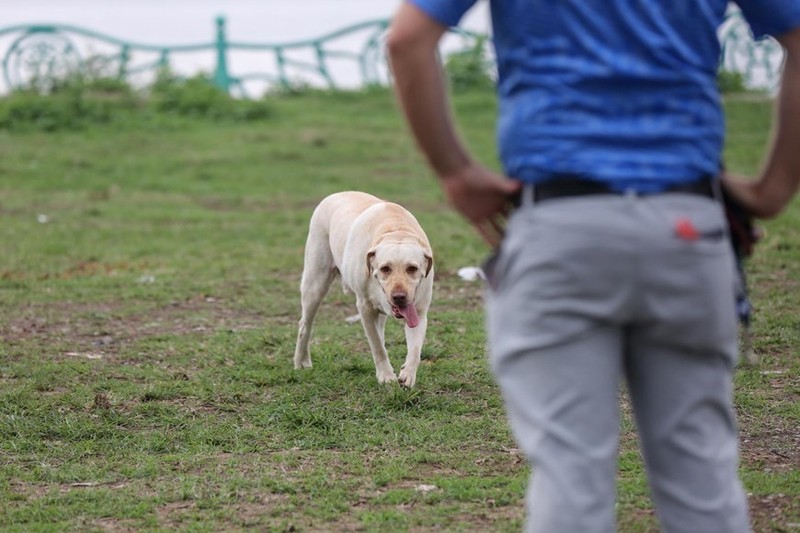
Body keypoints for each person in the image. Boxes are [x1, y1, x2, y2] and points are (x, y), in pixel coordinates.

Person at [386, 1, 800, 532]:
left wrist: (457, 174)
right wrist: (775, 185)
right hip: (687, 224)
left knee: (570, 478)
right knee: (701, 476)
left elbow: (408, 38)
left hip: (561, 223)